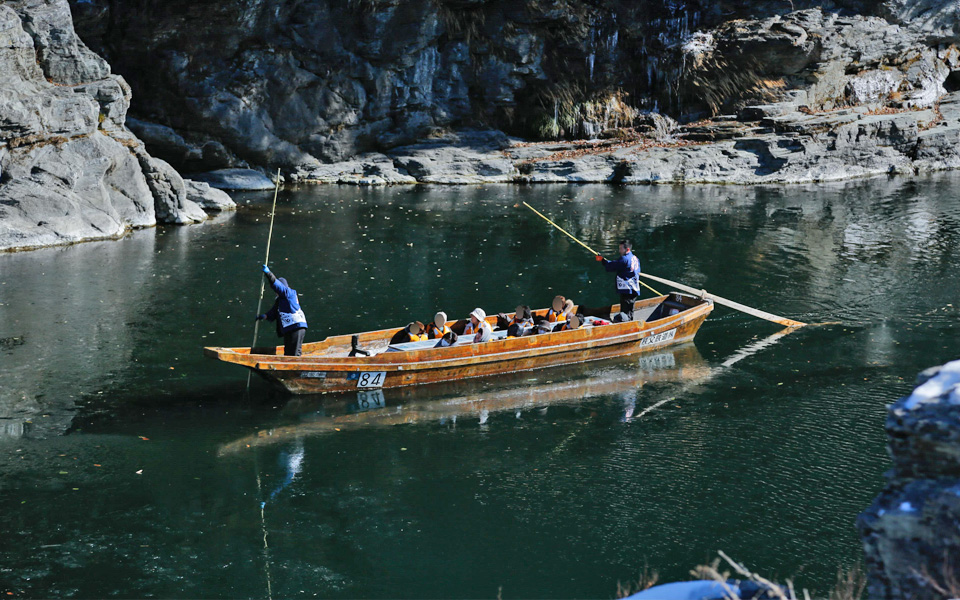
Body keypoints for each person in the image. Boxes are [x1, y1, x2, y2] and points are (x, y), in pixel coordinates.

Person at [256, 265, 308, 356]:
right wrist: (264, 316)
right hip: (289, 328)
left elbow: (277, 285)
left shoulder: (289, 293)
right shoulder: (279, 300)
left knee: (295, 353)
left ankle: (295, 368)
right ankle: (288, 367)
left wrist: (268, 274)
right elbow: (273, 312)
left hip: (296, 326)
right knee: (288, 353)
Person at [597, 239, 642, 321]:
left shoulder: (624, 259)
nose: (619, 251)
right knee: (630, 310)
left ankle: (626, 327)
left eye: (621, 249)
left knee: (625, 313)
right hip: (634, 288)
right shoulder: (635, 258)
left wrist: (602, 260)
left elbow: (611, 266)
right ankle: (630, 322)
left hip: (627, 289)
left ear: (627, 249)